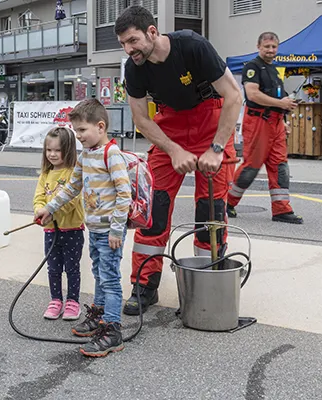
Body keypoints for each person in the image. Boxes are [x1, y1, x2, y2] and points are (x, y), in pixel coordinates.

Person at [115, 6, 242, 315]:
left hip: (209, 121)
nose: (129, 49)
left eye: (132, 40)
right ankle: (145, 286)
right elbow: (142, 120)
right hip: (168, 127)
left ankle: (209, 275)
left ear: (152, 32)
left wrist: (216, 148)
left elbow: (233, 96)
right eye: (123, 44)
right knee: (153, 207)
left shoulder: (192, 45)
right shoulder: (134, 68)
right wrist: (173, 150)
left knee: (210, 208)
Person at [35, 99, 131, 358]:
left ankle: (112, 330)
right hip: (96, 229)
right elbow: (72, 187)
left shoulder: (111, 154)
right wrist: (50, 208)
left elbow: (124, 194)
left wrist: (116, 229)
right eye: (75, 131)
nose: (78, 136)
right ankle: (99, 317)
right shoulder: (86, 155)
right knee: (99, 273)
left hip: (110, 231)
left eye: (81, 131)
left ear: (100, 127)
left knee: (110, 279)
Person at [227, 32, 303, 225]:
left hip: (275, 124)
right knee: (251, 168)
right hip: (258, 123)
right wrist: (281, 103)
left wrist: (283, 119)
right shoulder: (252, 67)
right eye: (267, 46)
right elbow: (252, 95)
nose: (271, 50)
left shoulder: (275, 70)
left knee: (280, 167)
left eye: (274, 47)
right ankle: (227, 203)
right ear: (258, 46)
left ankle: (281, 210)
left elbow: (278, 99)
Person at [33, 127, 85, 321]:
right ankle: (55, 300)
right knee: (53, 268)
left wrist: (51, 214)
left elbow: (71, 201)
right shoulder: (45, 174)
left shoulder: (73, 174)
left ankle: (73, 302)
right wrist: (39, 211)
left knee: (71, 268)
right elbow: (38, 197)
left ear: (69, 150)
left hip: (72, 230)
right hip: (50, 231)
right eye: (49, 150)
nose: (52, 154)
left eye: (57, 150)